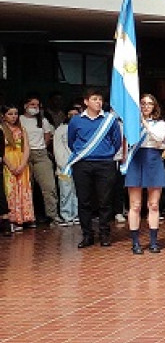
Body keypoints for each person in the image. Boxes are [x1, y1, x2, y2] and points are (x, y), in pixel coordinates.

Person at [67, 90, 123, 248]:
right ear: (86, 102)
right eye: (94, 99)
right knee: (84, 200)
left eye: (100, 99)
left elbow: (116, 141)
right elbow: (72, 142)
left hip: (105, 163)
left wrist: (105, 152)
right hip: (82, 164)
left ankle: (105, 233)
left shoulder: (109, 120)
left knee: (105, 200)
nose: (98, 102)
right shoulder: (76, 120)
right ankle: (87, 235)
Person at [124, 95, 165, 254]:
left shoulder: (161, 124)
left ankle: (153, 241)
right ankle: (135, 242)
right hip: (136, 160)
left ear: (155, 106)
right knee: (135, 205)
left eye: (150, 103)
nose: (146, 106)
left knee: (154, 204)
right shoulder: (130, 124)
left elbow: (159, 138)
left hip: (152, 159)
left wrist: (144, 123)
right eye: (143, 103)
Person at [19, 96, 58, 226]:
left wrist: (43, 147)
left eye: (37, 105)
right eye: (32, 104)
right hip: (24, 155)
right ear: (25, 105)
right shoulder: (19, 119)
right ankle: (28, 217)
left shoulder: (43, 120)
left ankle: (52, 216)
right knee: (26, 187)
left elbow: (47, 136)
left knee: (49, 187)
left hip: (41, 154)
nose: (35, 107)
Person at [3, 106, 35, 231]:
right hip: (8, 160)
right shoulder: (2, 129)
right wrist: (10, 165)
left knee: (23, 189)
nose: (14, 116)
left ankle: (25, 217)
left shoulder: (22, 129)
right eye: (10, 114)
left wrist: (22, 164)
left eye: (16, 114)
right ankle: (12, 219)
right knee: (11, 190)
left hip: (21, 160)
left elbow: (27, 147)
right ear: (4, 115)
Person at [52, 105, 80, 228]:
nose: (73, 117)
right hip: (64, 166)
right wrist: (63, 164)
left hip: (79, 165)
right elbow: (57, 149)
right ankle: (67, 216)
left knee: (78, 192)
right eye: (71, 114)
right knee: (66, 192)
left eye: (76, 114)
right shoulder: (60, 129)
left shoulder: (81, 128)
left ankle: (77, 215)